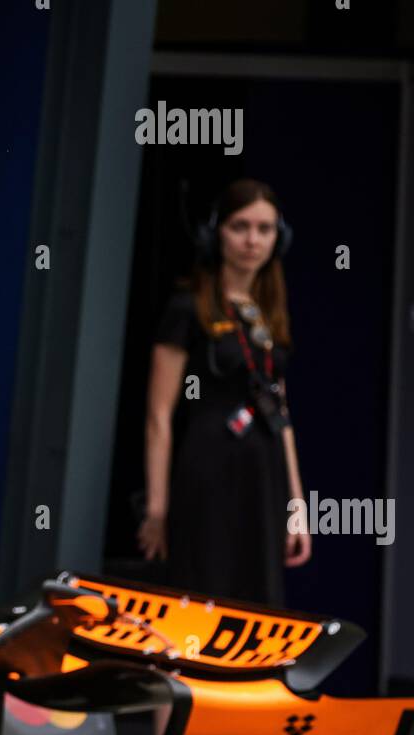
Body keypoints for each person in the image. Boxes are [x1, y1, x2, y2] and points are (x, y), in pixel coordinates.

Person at [138, 179, 311, 606]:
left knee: (257, 598)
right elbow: (159, 414)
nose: (253, 240)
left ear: (279, 237)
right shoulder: (187, 307)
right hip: (208, 469)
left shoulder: (268, 312)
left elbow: (281, 410)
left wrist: (297, 504)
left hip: (263, 474)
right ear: (217, 232)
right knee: (205, 589)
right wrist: (157, 505)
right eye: (240, 226)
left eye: (265, 229)